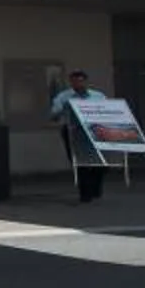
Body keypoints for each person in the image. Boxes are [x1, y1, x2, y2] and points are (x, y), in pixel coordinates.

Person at [50, 68, 108, 203]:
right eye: (75, 82)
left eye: (81, 81)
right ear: (71, 82)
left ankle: (95, 188)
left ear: (86, 82)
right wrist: (62, 109)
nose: (78, 84)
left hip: (95, 130)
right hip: (73, 131)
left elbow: (107, 110)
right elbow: (54, 115)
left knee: (100, 162)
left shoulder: (98, 96)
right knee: (80, 162)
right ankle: (85, 194)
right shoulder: (64, 97)